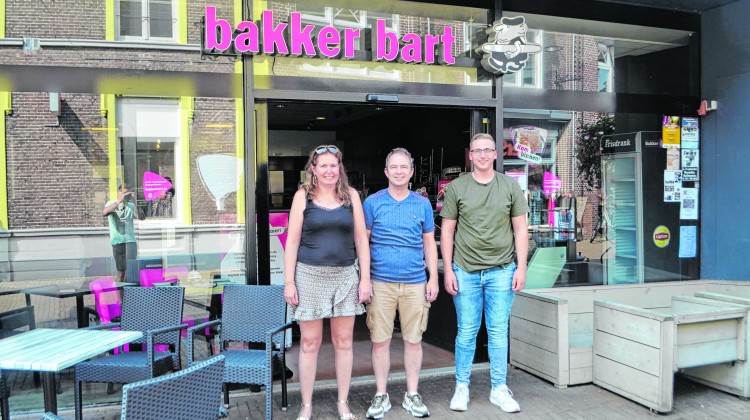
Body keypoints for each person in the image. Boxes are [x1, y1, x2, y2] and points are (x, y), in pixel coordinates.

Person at [439, 133, 529, 413]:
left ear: (494, 154)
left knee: (498, 332)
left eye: (486, 150)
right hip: (464, 270)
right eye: (476, 150)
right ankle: (462, 387)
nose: (481, 155)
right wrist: (448, 269)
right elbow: (448, 231)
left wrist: (521, 267)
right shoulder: (457, 187)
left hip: (502, 270)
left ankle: (499, 389)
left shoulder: (510, 186)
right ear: (470, 155)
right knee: (466, 332)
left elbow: (520, 230)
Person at [283, 145, 372, 420]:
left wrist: (365, 279)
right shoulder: (302, 197)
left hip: (346, 275)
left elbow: (361, 240)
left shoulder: (352, 197)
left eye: (333, 165)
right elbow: (293, 241)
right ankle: (306, 405)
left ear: (339, 168)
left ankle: (343, 402)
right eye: (323, 165)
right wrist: (289, 282)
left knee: (344, 341)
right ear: (313, 169)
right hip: (308, 276)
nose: (329, 170)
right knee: (309, 342)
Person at [362, 148, 438, 419]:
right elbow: (363, 243)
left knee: (413, 340)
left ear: (411, 171)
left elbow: (429, 242)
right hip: (380, 283)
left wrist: (434, 277)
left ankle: (411, 394)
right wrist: (364, 279)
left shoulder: (422, 204)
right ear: (386, 172)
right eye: (393, 167)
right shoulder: (372, 203)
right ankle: (381, 395)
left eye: (403, 167)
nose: (398, 171)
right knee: (380, 341)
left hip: (415, 283)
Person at [103, 184, 145, 282]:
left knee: (131, 271)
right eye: (124, 193)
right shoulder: (112, 203)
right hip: (118, 242)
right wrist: (119, 201)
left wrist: (134, 201)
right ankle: (120, 296)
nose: (126, 195)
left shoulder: (131, 205)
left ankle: (128, 296)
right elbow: (105, 212)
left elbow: (142, 217)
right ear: (119, 193)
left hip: (131, 242)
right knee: (120, 272)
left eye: (128, 193)